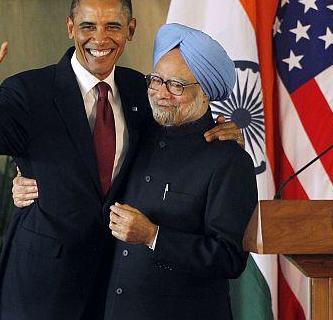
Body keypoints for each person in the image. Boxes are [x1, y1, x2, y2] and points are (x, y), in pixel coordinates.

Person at [0, 0, 242, 320]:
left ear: (130, 30)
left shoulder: (140, 90)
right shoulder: (30, 91)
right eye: (88, 26)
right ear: (71, 28)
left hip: (115, 282)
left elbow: (174, 140)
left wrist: (222, 131)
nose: (99, 39)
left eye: (112, 26)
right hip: (42, 284)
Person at [14, 23, 258, 320]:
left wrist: (153, 235)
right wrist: (26, 184)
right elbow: (84, 177)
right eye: (156, 80)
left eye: (176, 85)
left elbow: (229, 258)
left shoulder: (229, 160)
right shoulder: (136, 135)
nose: (160, 93)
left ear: (206, 93)